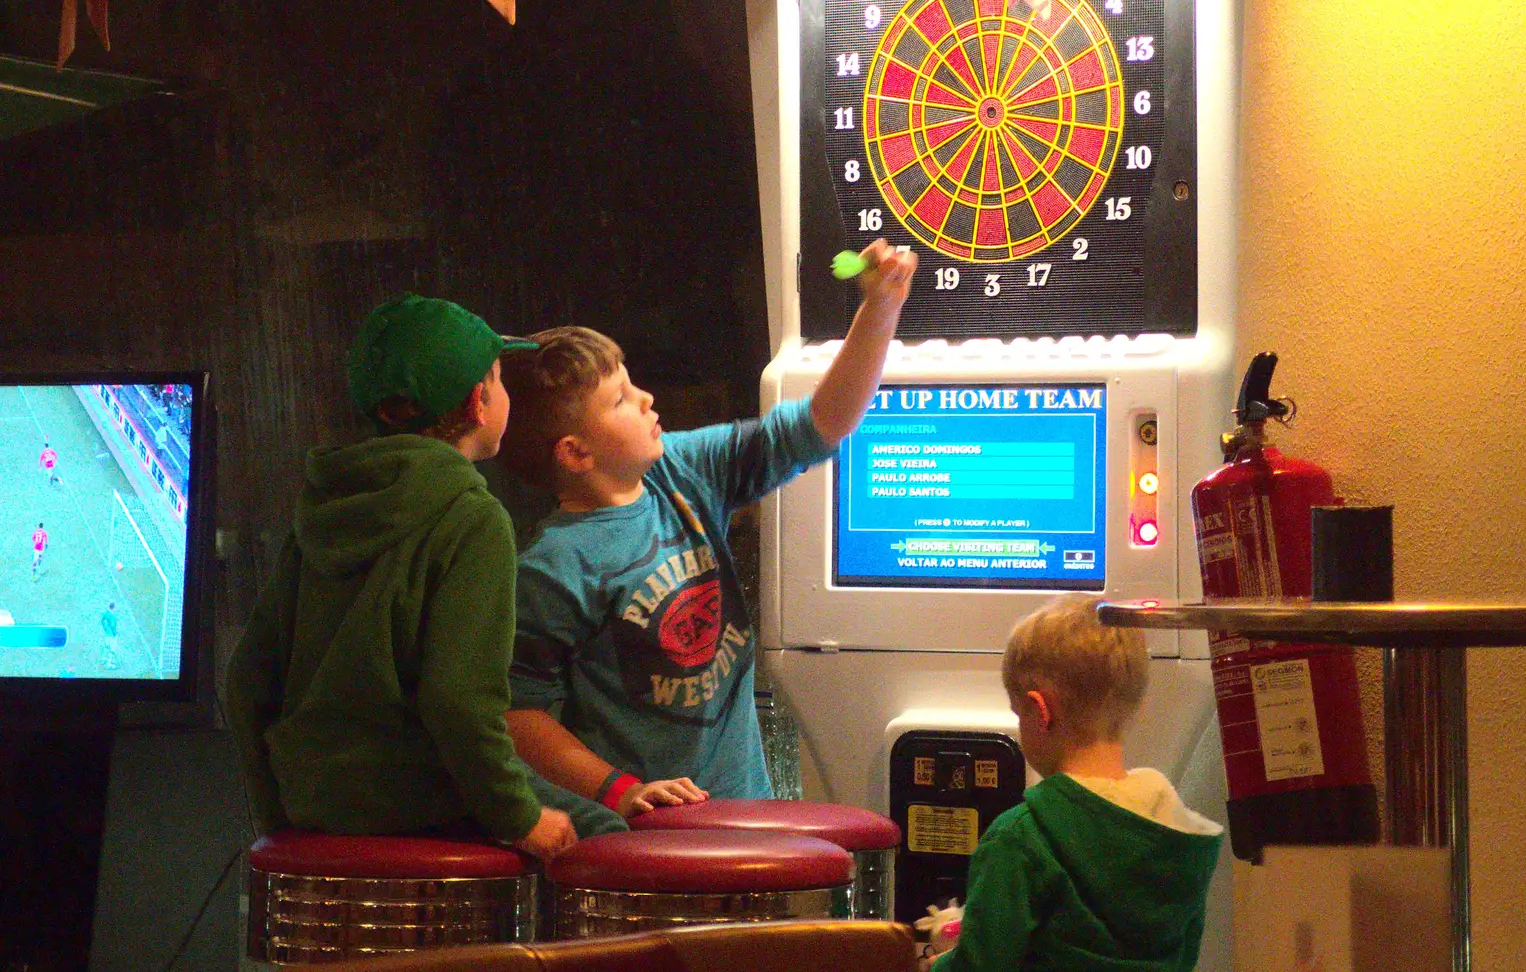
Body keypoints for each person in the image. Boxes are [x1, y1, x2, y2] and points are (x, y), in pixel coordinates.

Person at [497, 240, 916, 823]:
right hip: (642, 838)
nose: (646, 399)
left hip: (744, 814)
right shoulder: (552, 569)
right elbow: (520, 717)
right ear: (575, 452)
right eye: (619, 399)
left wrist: (882, 307)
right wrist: (620, 791)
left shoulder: (684, 470)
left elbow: (822, 424)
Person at [224, 293, 577, 860]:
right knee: (603, 829)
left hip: (310, 808)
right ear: (477, 403)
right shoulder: (472, 517)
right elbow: (458, 700)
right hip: (423, 807)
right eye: (499, 378)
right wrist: (519, 818)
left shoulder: (321, 507)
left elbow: (245, 682)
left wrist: (278, 819)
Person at [932, 598, 1224, 972]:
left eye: (1018, 714)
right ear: (1138, 707)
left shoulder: (1021, 839)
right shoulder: (1180, 839)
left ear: (1040, 712)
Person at [100, 602, 120, 670]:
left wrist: (105, 629)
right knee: (112, 649)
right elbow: (113, 626)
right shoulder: (113, 617)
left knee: (106, 646)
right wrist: (115, 634)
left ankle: (103, 659)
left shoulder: (105, 613)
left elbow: (102, 621)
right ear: (114, 608)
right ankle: (108, 664)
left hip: (107, 634)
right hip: (112, 635)